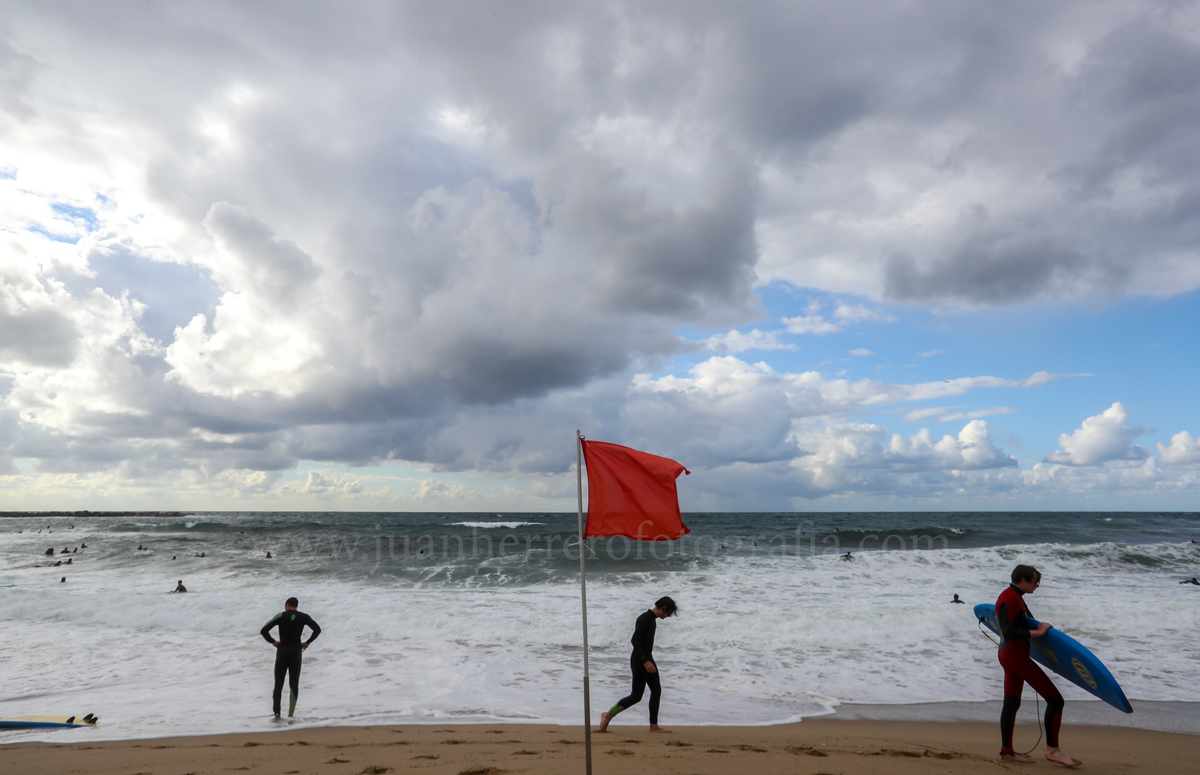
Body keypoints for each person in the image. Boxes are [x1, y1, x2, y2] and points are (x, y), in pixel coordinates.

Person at [994, 565, 1080, 767]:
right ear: (1022, 581)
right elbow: (1010, 631)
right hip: (1016, 657)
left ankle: (1007, 752)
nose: (1038, 586)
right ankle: (1053, 750)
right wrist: (1040, 633)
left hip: (1006, 654)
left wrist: (1042, 630)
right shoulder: (1013, 599)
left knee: (1012, 703)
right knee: (1056, 700)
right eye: (1035, 582)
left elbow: (1026, 622)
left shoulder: (1008, 595)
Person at [597, 596, 678, 734]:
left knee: (656, 690)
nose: (669, 616)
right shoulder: (645, 619)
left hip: (647, 658)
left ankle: (653, 726)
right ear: (663, 607)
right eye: (669, 612)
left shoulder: (651, 619)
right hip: (640, 661)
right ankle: (608, 714)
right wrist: (645, 661)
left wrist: (648, 660)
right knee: (636, 695)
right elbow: (635, 640)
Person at [260, 597, 321, 719]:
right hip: (296, 654)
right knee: (293, 684)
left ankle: (277, 714)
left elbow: (264, 630)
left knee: (278, 684)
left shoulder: (281, 616)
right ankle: (290, 714)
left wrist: (273, 642)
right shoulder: (304, 617)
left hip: (282, 652)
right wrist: (307, 642)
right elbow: (317, 629)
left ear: (287, 605)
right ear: (296, 606)